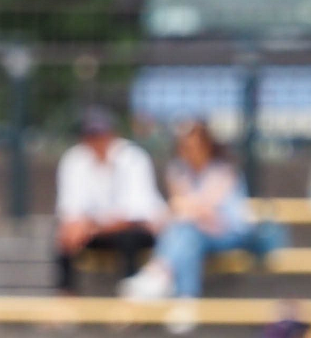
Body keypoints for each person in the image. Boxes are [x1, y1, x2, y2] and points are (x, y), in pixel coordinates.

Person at [120, 118, 252, 302]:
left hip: (229, 233)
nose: (189, 153)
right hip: (196, 231)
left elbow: (206, 214)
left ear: (207, 146)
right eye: (185, 147)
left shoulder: (223, 171)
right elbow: (187, 209)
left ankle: (159, 272)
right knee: (189, 236)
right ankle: (185, 296)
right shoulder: (178, 169)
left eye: (193, 147)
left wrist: (189, 210)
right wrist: (192, 210)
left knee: (185, 230)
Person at [54, 105, 166, 293]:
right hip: (95, 230)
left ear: (112, 134)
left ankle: (131, 298)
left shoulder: (133, 158)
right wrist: (80, 227)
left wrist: (91, 226)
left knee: (129, 239)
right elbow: (70, 209)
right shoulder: (74, 159)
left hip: (132, 230)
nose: (96, 141)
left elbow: (135, 214)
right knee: (63, 237)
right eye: (91, 135)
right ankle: (65, 297)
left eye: (100, 134)